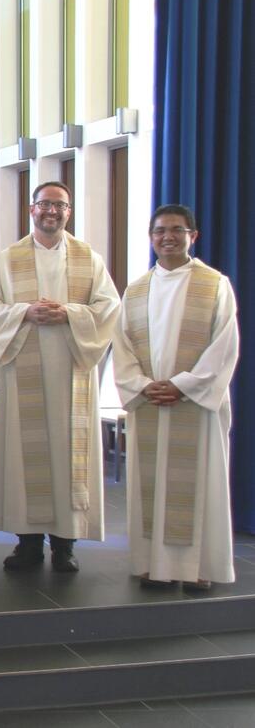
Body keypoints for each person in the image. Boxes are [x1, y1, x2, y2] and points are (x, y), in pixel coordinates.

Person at [0, 182, 120, 572]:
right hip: (24, 375)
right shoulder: (8, 259)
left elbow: (109, 306)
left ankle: (65, 545)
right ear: (31, 208)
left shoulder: (88, 259)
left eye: (60, 206)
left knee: (67, 458)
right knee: (25, 460)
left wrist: (69, 314)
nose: (51, 211)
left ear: (68, 212)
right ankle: (27, 544)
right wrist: (25, 312)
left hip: (73, 373)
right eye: (45, 204)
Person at [113, 205, 239, 590]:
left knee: (199, 483)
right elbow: (121, 347)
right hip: (150, 402)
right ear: (151, 237)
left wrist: (183, 384)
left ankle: (197, 567)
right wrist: (140, 384)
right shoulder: (135, 291)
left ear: (192, 236)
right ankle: (154, 565)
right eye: (160, 231)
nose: (168, 237)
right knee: (151, 487)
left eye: (177, 230)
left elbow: (224, 345)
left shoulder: (215, 284)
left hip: (194, 406)